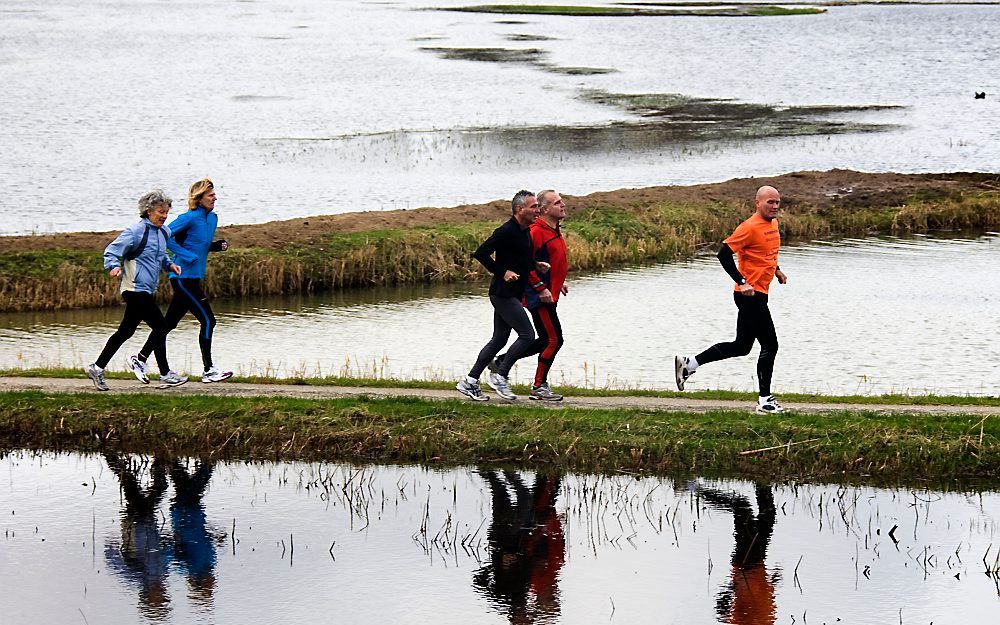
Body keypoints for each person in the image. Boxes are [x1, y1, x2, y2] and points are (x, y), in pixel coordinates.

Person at [674, 185, 788, 414]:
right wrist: (742, 281)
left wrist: (777, 270)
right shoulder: (749, 227)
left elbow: (766, 253)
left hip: (759, 293)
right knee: (770, 345)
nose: (775, 206)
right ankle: (765, 400)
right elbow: (723, 254)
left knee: (742, 346)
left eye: (777, 202)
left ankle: (689, 364)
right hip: (749, 296)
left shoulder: (773, 224)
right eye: (770, 202)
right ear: (758, 203)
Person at [130, 178, 232, 384]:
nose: (215, 198)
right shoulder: (188, 218)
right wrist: (184, 255)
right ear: (199, 198)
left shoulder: (212, 219)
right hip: (182, 278)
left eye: (214, 195)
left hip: (194, 278)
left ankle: (140, 359)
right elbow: (164, 236)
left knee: (167, 324)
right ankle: (209, 370)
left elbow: (199, 245)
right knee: (208, 320)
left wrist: (215, 246)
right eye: (210, 195)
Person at [84, 190, 187, 391]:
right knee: (161, 326)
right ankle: (165, 373)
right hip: (133, 289)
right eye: (161, 212)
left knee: (126, 331)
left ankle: (97, 367)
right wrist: (113, 265)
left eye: (166, 212)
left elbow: (160, 256)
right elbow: (112, 251)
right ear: (148, 211)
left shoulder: (164, 232)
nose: (164, 216)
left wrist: (169, 265)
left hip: (147, 291)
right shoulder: (136, 232)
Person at [456, 190, 548, 401]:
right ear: (519, 209)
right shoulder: (506, 231)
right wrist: (502, 272)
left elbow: (520, 257)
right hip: (502, 294)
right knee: (527, 335)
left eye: (537, 206)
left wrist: (536, 265)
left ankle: (469, 381)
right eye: (533, 207)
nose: (538, 210)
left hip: (513, 293)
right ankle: (500, 375)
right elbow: (480, 253)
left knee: (499, 340)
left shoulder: (525, 230)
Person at [492, 189, 569, 401]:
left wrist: (558, 281)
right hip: (538, 296)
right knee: (554, 340)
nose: (563, 205)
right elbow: (526, 264)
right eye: (557, 203)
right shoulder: (536, 231)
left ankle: (502, 361)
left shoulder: (553, 229)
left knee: (546, 339)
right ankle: (538, 387)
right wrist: (540, 288)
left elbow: (549, 260)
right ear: (544, 209)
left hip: (548, 291)